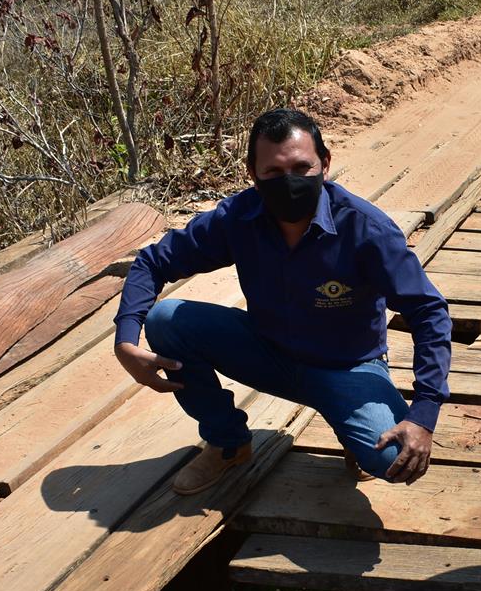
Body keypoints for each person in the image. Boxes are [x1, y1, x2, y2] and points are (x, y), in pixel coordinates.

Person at [114, 108, 451, 494]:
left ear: (324, 163)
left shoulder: (364, 229)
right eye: (273, 172)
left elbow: (428, 312)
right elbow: (153, 262)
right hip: (268, 351)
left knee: (394, 461)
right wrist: (125, 340)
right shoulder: (238, 219)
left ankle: (349, 424)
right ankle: (228, 444)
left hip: (349, 367)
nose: (289, 182)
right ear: (252, 173)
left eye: (302, 167)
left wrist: (424, 414)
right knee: (166, 319)